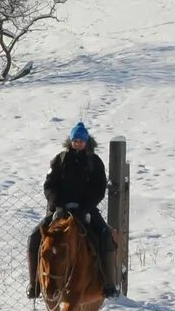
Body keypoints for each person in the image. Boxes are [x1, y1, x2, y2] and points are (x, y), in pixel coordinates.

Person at [28, 123, 113, 297]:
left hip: (86, 209)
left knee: (105, 234)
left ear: (87, 141)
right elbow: (49, 185)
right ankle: (34, 283)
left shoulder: (94, 162)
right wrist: (57, 205)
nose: (78, 143)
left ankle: (108, 282)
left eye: (81, 140)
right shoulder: (60, 160)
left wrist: (87, 208)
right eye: (75, 140)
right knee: (35, 236)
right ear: (71, 141)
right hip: (60, 210)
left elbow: (99, 188)